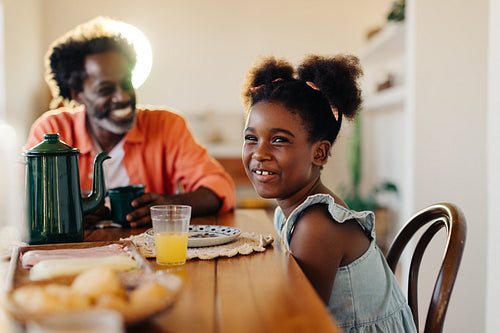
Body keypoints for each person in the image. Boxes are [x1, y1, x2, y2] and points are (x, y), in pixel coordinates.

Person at [241, 55, 416, 332]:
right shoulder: (295, 213)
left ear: (319, 153)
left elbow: (300, 322)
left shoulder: (317, 226)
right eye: (251, 138)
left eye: (278, 140)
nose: (259, 153)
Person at [25, 16, 236, 228]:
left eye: (127, 83)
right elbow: (22, 199)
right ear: (78, 95)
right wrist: (67, 211)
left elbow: (219, 187)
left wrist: (168, 204)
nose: (122, 97)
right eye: (105, 90)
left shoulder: (166, 125)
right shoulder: (53, 131)